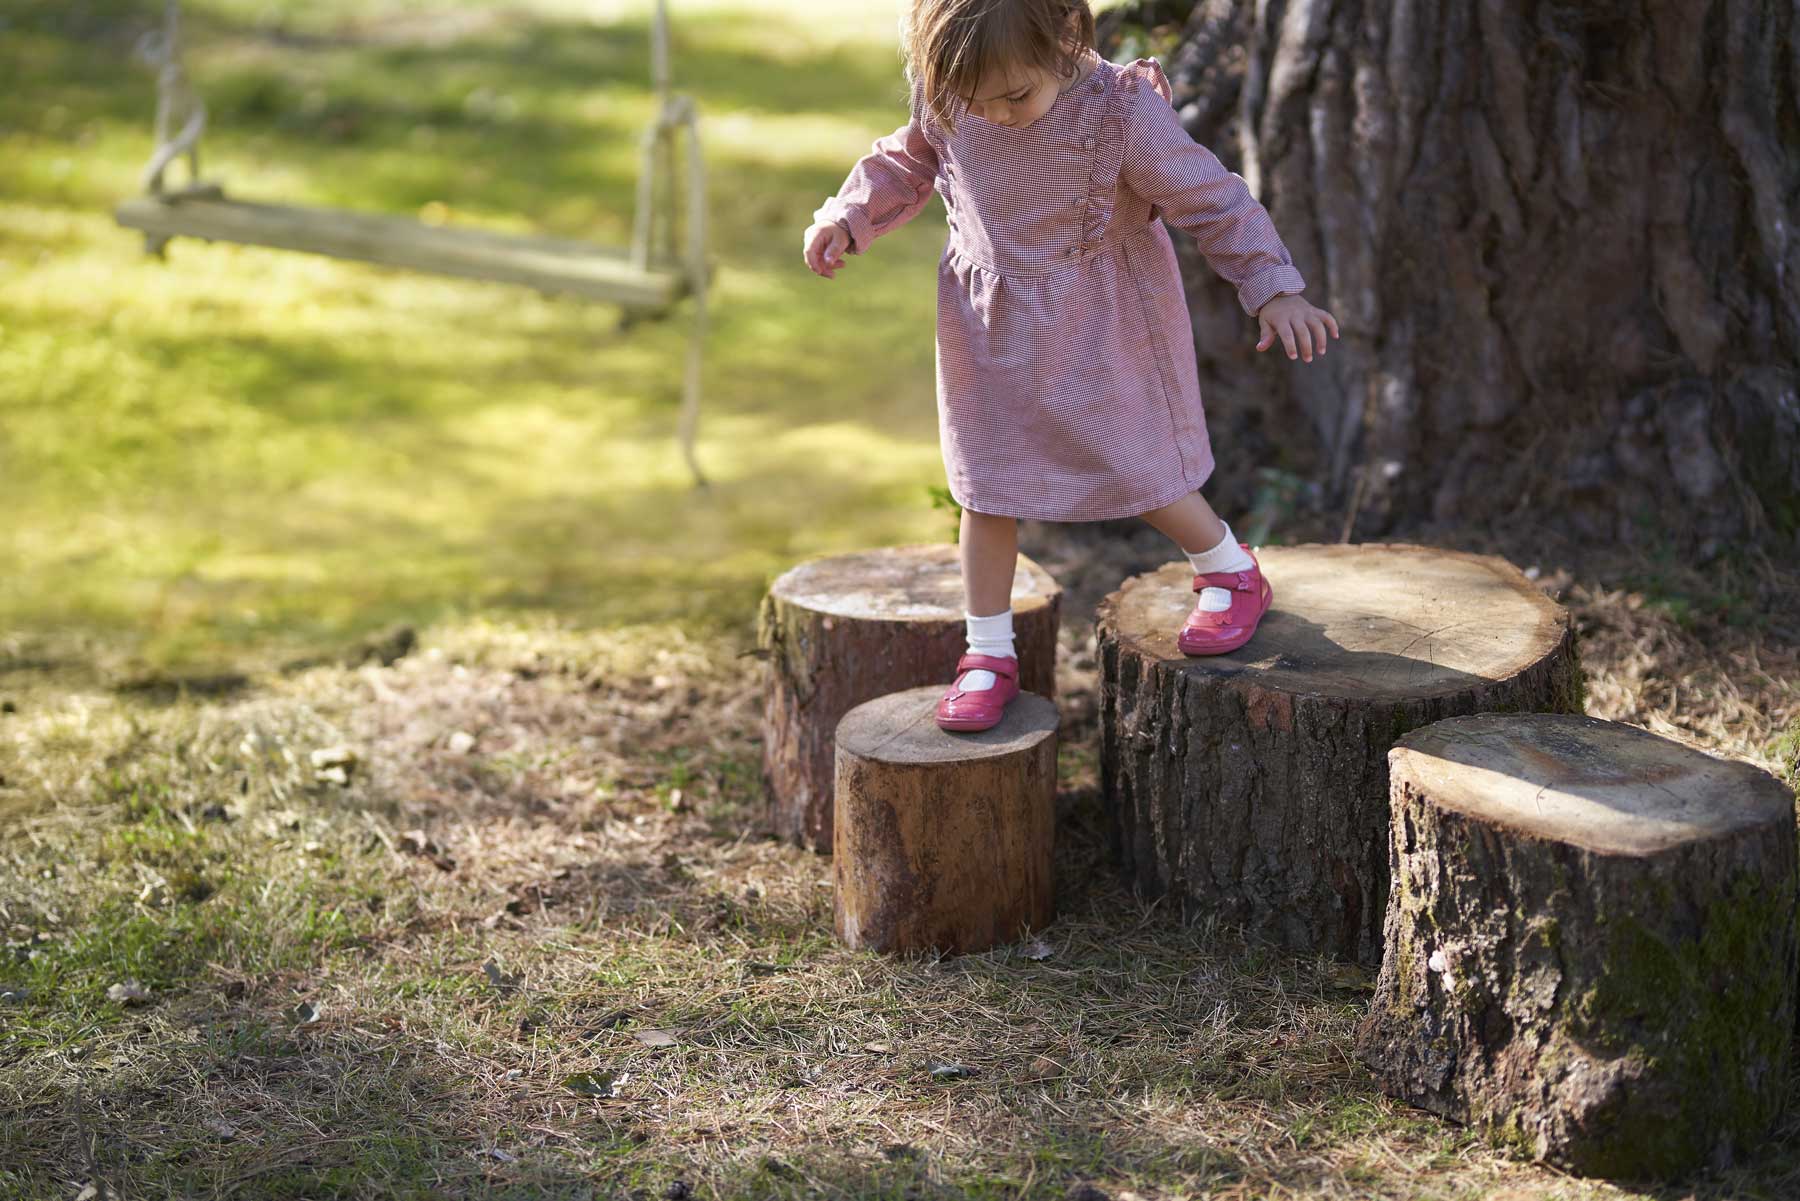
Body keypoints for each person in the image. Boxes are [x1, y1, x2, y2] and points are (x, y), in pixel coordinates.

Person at [801, 0, 1339, 733]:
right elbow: (909, 157)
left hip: (1099, 321)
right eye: (975, 102)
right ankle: (987, 653)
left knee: (1132, 465)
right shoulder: (956, 85)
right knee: (984, 489)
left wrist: (1273, 285)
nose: (996, 114)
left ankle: (1229, 568)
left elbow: (1213, 199)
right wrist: (847, 215)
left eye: (1015, 96)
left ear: (1062, 39)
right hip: (986, 328)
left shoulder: (1120, 113)